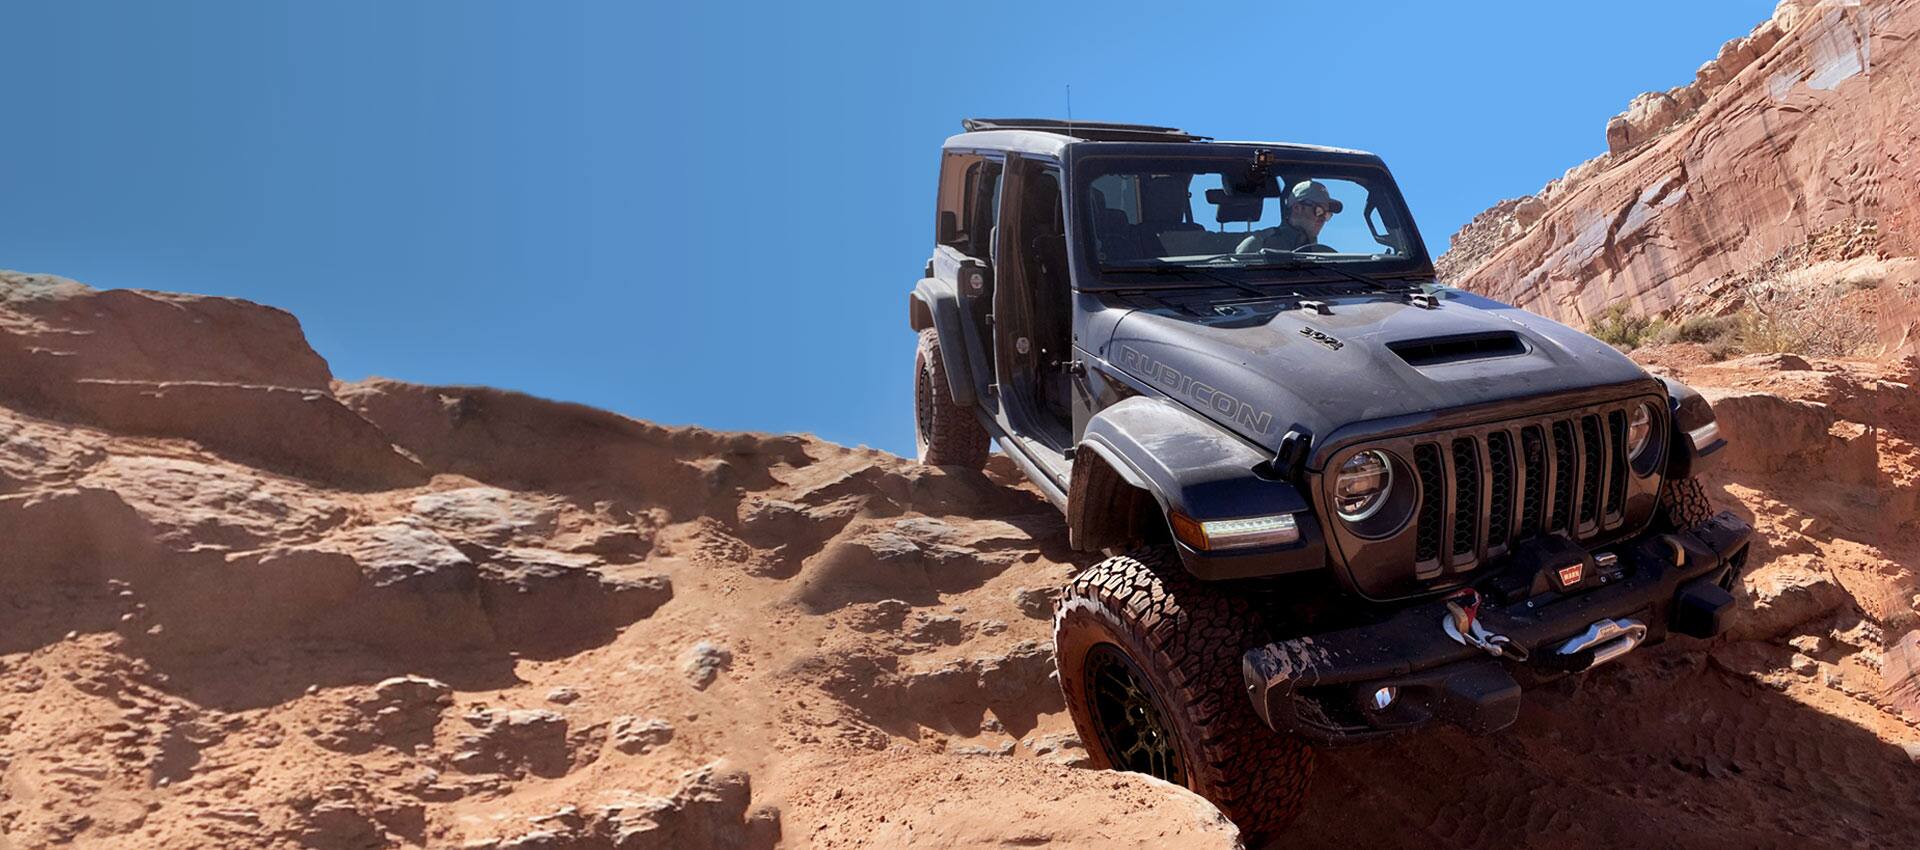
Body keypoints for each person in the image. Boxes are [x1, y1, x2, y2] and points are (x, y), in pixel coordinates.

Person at [1236, 180, 1343, 254]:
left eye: (1327, 214)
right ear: (1297, 208)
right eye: (1319, 211)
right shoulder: (1258, 244)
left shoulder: (1325, 256)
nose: (1323, 218)